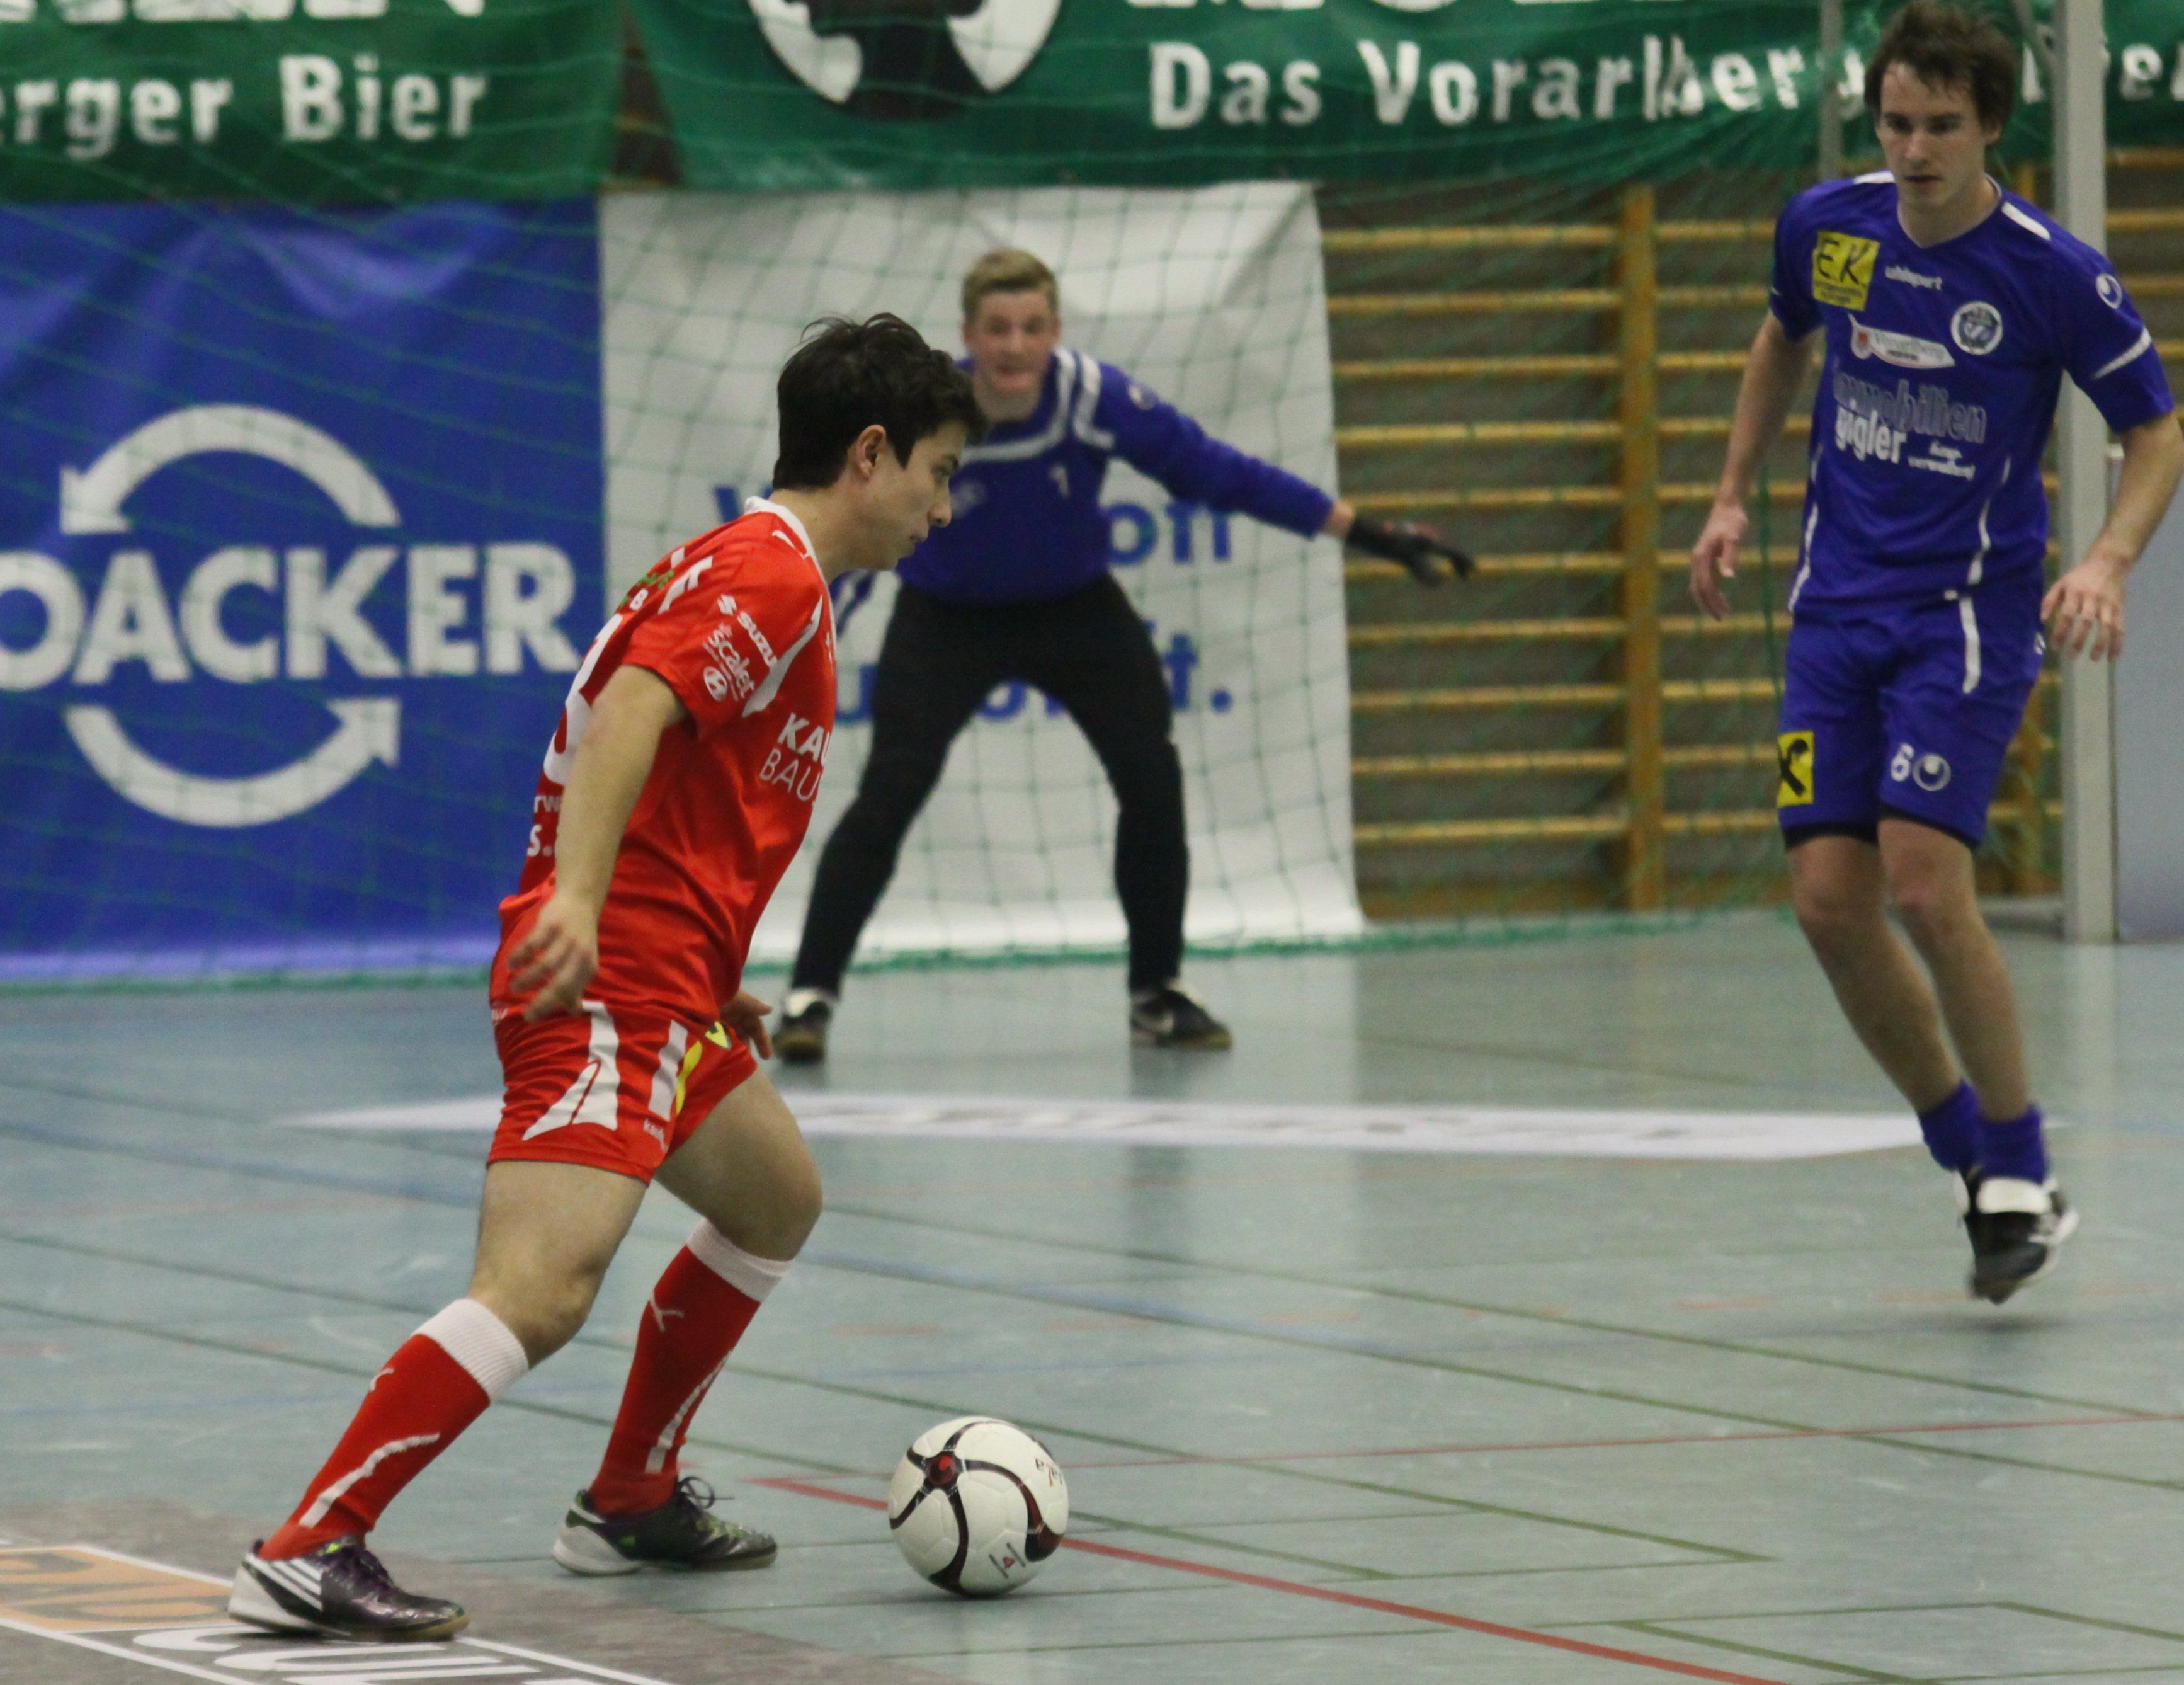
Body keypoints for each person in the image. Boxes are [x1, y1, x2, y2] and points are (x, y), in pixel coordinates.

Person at [225, 316, 982, 1642]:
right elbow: (635, 708)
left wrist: (708, 967)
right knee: (542, 1287)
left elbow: (692, 782)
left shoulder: (759, 568)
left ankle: (629, 1497)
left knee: (775, 1199)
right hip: (612, 978)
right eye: (938, 471)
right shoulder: (773, 573)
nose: (943, 506)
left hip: (667, 976)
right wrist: (582, 902)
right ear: (871, 454)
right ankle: (312, 1543)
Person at [1690, 0, 2183, 1302]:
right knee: (1826, 903)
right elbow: (1782, 341)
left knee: (1920, 881)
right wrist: (1731, 495)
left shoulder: (2050, 274)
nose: (1913, 150)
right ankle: (1971, 1156)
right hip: (1831, 612)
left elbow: (2157, 431)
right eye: (1896, 123)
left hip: (1963, 618)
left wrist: (2106, 561)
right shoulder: (1832, 229)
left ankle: (2019, 1163)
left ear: (1990, 127)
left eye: (1941, 127)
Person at [776, 248, 1466, 1063]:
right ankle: (809, 997)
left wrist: (1372, 535)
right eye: (997, 328)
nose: (1014, 345)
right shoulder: (929, 419)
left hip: (1076, 611)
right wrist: (780, 644)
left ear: (1055, 331)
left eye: (1032, 327)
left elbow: (1217, 472)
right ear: (968, 335)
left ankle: (1158, 991)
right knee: (889, 792)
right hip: (947, 617)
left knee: (1151, 775)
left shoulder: (1091, 398)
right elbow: (843, 533)